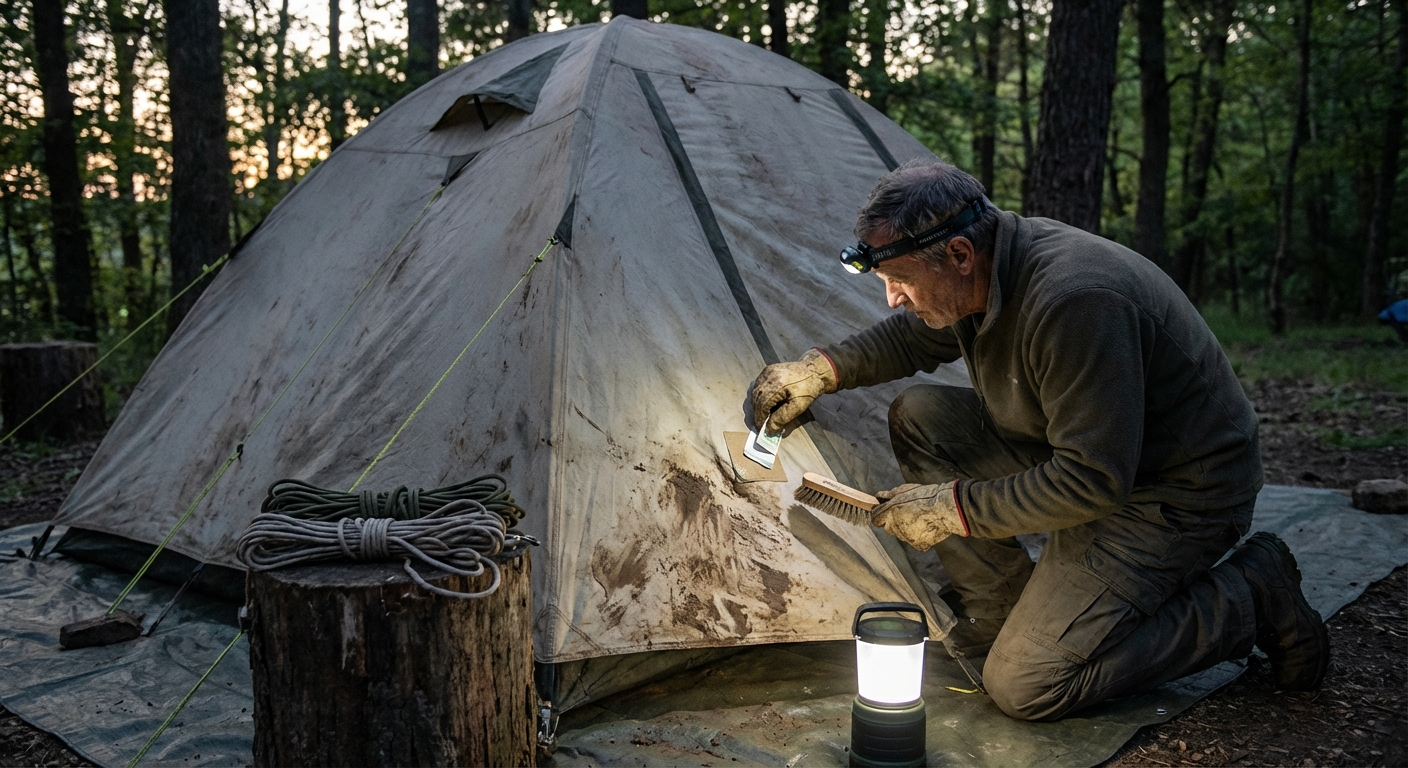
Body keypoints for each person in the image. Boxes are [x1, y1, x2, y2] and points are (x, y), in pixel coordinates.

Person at [750, 160, 1329, 721]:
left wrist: (951, 509)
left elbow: (1094, 480)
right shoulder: (981, 268)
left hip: (1175, 491)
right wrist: (819, 371)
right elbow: (912, 339)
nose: (893, 297)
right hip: (1084, 454)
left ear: (958, 255)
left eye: (900, 281)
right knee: (923, 415)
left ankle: (1249, 596)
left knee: (1027, 685)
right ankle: (1004, 612)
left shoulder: (1073, 301)